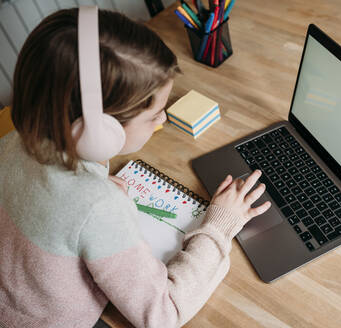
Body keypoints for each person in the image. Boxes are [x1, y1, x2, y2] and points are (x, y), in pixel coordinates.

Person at [0, 7, 270, 328]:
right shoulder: (97, 206)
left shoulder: (13, 140)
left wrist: (95, 187)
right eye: (155, 115)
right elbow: (162, 314)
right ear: (100, 131)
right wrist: (219, 225)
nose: (164, 119)